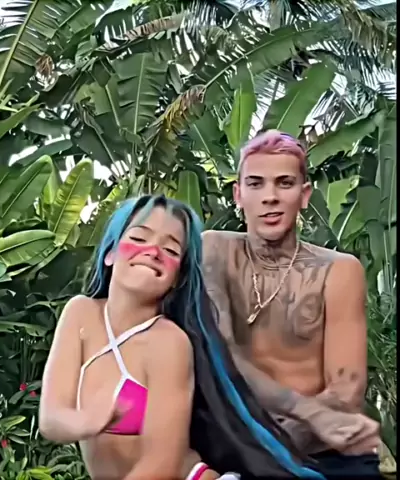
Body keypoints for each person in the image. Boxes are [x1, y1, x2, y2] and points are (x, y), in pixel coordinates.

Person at [39, 194, 329, 480]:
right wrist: (84, 422)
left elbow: (161, 465)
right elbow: (51, 418)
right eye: (139, 238)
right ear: (110, 253)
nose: (153, 251)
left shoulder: (168, 343)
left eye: (170, 250)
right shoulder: (80, 314)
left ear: (177, 277)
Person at [201, 130, 382, 478]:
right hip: (238, 449)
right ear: (238, 194)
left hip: (322, 453)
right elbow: (220, 358)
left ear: (304, 195)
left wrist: (269, 448)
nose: (270, 197)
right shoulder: (214, 252)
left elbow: (346, 391)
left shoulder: (337, 271)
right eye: (255, 184)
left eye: (284, 183)